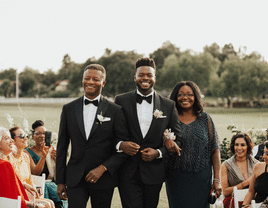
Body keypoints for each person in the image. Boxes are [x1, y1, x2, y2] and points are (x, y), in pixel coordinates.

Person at [56, 64, 129, 208]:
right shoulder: (68, 109)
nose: (90, 82)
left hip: (103, 179)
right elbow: (62, 147)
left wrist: (103, 168)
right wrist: (60, 181)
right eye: (86, 78)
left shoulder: (115, 110)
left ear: (103, 82)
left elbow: (123, 148)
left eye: (95, 79)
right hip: (75, 178)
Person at [114, 57, 183, 208]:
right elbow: (111, 134)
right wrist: (121, 145)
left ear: (155, 78)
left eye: (149, 75)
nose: (145, 78)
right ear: (135, 77)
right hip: (127, 172)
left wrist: (158, 152)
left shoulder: (168, 105)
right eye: (141, 75)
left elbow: (178, 140)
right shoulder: (121, 101)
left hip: (154, 173)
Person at [165, 81, 222, 208]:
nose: (185, 97)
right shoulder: (169, 119)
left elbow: (215, 149)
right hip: (176, 179)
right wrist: (165, 140)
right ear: (175, 97)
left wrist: (217, 180)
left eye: (189, 94)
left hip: (202, 179)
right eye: (180, 94)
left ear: (196, 96)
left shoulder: (205, 119)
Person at [9, 126, 55, 208]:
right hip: (17, 196)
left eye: (26, 136)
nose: (26, 139)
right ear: (12, 140)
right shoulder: (9, 158)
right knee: (47, 204)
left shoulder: (25, 156)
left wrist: (36, 191)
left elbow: (30, 178)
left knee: (50, 202)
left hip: (28, 194)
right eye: (22, 136)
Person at [0, 127, 45, 208]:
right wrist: (33, 205)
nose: (12, 141)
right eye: (7, 138)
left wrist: (26, 185)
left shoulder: (25, 156)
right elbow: (11, 197)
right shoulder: (4, 164)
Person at [25, 120, 63, 208]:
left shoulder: (51, 150)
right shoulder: (27, 153)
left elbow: (60, 171)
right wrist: (44, 156)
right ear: (33, 136)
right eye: (38, 133)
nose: (42, 136)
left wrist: (57, 160)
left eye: (44, 133)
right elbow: (35, 173)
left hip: (52, 182)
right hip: (36, 184)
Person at [221, 133, 258, 208]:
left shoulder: (256, 164)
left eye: (243, 145)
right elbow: (225, 191)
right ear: (233, 146)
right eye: (236, 145)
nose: (239, 148)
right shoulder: (226, 165)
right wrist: (246, 183)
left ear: (248, 146)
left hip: (253, 202)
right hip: (233, 202)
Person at [242, 141, 268, 207]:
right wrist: (244, 206)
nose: (264, 156)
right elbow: (251, 192)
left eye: (267, 154)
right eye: (264, 152)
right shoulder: (258, 167)